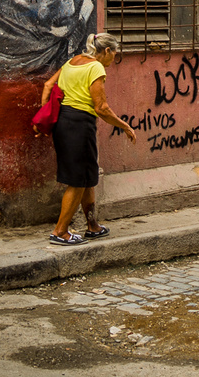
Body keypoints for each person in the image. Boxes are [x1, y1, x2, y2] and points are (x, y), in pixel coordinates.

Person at [40, 32, 136, 246]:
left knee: (87, 177)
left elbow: (48, 86)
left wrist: (45, 117)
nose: (114, 59)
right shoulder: (95, 67)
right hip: (79, 125)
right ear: (107, 51)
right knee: (77, 181)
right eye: (115, 54)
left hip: (63, 123)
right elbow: (101, 107)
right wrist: (125, 126)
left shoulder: (72, 62)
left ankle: (93, 226)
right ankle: (60, 232)